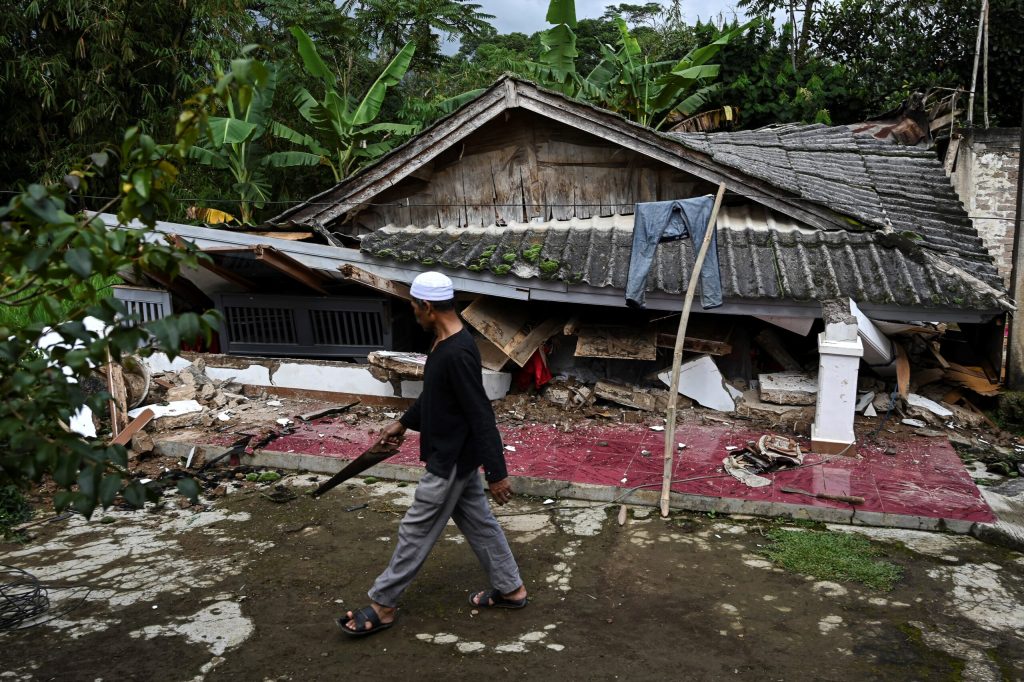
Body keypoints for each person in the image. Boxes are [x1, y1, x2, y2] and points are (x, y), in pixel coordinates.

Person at [340, 271, 528, 637]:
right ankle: (511, 589)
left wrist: (497, 473)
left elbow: (480, 414)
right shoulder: (446, 342)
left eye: (413, 306)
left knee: (416, 530)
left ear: (427, 306)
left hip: (451, 460)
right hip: (455, 455)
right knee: (480, 524)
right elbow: (437, 395)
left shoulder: (457, 352)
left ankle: (383, 604)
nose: (412, 312)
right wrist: (403, 423)